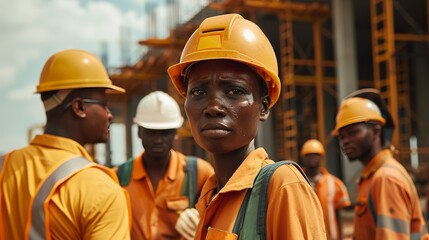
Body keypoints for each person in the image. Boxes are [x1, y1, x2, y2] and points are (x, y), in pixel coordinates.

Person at [168, 13, 326, 239]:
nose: (214, 107)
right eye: (199, 92)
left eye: (234, 91)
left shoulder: (282, 187)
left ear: (263, 107)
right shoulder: (209, 195)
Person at [0, 49, 131, 239]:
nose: (109, 114)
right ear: (79, 107)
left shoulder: (5, 167)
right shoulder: (100, 189)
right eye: (104, 104)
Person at [115, 91, 214, 240]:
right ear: (139, 132)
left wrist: (201, 223)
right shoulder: (118, 177)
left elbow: (220, 222)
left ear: (175, 134)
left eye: (165, 133)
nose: (158, 140)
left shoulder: (199, 173)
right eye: (151, 132)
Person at [333, 91, 428, 239]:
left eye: (352, 132)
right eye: (342, 136)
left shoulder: (386, 179)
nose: (345, 141)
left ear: (376, 131)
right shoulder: (372, 177)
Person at [300, 139, 351, 240]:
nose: (312, 157)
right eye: (308, 155)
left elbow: (340, 216)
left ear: (322, 157)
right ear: (303, 157)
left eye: (315, 154)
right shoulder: (296, 182)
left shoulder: (335, 184)